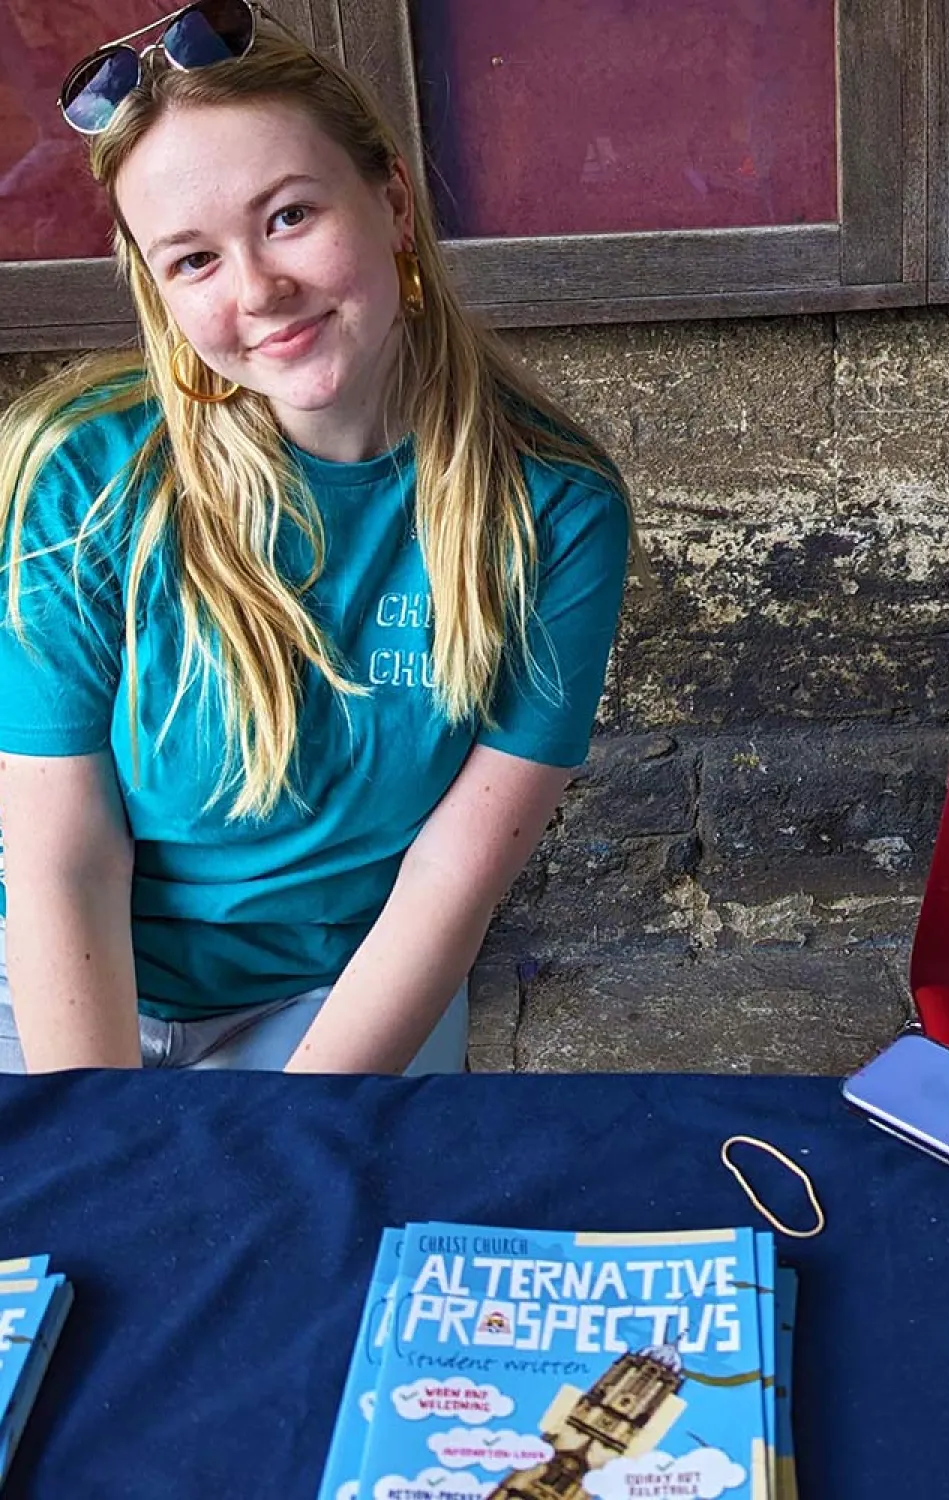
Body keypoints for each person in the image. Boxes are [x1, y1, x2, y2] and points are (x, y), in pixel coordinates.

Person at [0, 1, 631, 1075]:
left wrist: (284, 1141)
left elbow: (451, 877)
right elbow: (67, 863)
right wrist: (109, 1133)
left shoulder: (556, 508)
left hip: (338, 989)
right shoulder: (81, 479)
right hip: (58, 985)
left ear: (389, 201)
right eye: (193, 260)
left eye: (289, 216)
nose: (258, 290)